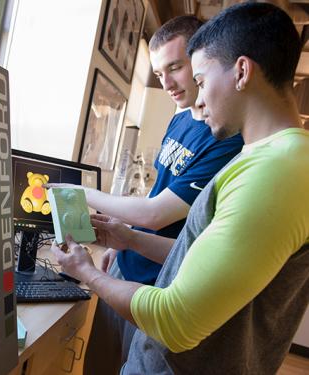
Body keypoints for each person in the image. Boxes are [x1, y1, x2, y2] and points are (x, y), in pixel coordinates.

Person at [52, 2, 309, 374]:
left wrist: (87, 273)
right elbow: (202, 253)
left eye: (201, 80)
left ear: (241, 72)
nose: (199, 100)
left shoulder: (279, 171)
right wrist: (130, 239)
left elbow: (175, 322)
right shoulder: (267, 158)